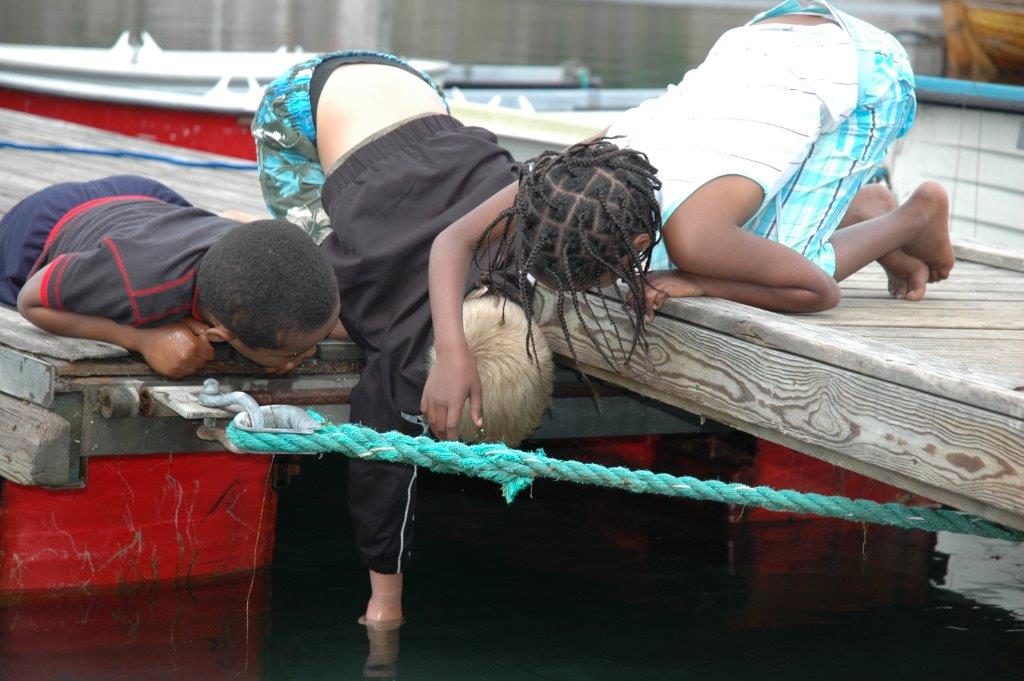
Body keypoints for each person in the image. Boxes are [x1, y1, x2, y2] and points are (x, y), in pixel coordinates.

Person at [424, 0, 954, 432]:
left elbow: (817, 291)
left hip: (861, 70)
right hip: (769, 40)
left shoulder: (694, 237)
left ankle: (911, 216)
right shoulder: (572, 175)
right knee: (744, 236)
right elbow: (452, 240)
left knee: (791, 258)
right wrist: (451, 350)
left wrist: (697, 281)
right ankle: (860, 205)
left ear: (636, 243)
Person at [253, 52, 556, 626]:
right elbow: (380, 472)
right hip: (303, 106)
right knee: (302, 284)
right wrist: (384, 603)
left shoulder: (527, 249)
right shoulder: (395, 349)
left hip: (415, 93)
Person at [1, 175, 340, 378]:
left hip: (150, 200)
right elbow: (31, 300)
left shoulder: (245, 254)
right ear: (221, 336)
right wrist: (142, 341)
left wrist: (290, 349)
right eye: (295, 354)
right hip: (45, 223)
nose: (308, 354)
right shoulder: (137, 287)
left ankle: (229, 219)